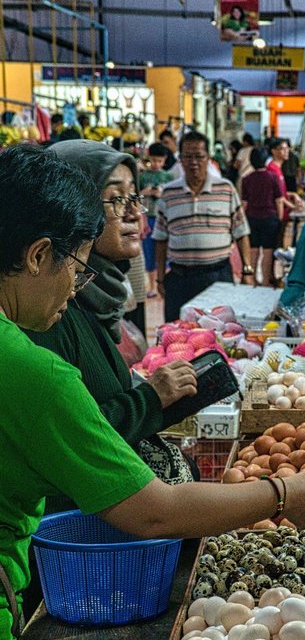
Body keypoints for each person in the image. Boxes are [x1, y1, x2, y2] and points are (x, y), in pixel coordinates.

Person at [0, 143, 305, 640]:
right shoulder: (34, 371)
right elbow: (155, 513)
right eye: (77, 263)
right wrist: (282, 493)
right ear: (36, 254)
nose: (77, 285)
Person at [25, 138, 199, 491]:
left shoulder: (98, 300)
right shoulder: (47, 311)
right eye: (117, 198)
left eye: (135, 197)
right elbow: (69, 441)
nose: (135, 212)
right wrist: (150, 399)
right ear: (73, 207)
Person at [153, 130, 254, 321]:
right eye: (188, 157)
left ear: (208, 158)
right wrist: (159, 277)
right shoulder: (169, 193)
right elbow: (160, 239)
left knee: (221, 336)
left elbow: (241, 233)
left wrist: (247, 271)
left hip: (218, 277)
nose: (193, 162)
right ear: (180, 159)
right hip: (179, 278)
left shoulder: (225, 189)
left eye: (199, 156)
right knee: (178, 338)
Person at [241, 147, 283, 287]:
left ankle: (252, 280)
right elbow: (279, 200)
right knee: (267, 252)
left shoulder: (246, 179)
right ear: (266, 160)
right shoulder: (273, 177)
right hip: (270, 219)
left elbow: (244, 203)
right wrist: (280, 218)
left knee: (253, 252)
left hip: (252, 219)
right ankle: (265, 281)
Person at [139, 142, 173, 297]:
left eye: (160, 161)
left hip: (163, 218)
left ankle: (164, 282)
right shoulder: (142, 176)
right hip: (147, 218)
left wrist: (161, 194)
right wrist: (144, 192)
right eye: (154, 160)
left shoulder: (168, 176)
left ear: (165, 160)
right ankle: (152, 286)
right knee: (149, 252)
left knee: (164, 252)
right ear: (149, 158)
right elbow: (135, 196)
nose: (156, 164)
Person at [266, 137, 304, 247]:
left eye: (287, 148)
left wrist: (293, 194)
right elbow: (277, 196)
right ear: (274, 151)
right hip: (277, 214)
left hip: (283, 213)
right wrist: (294, 207)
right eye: (283, 149)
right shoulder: (272, 169)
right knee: (276, 245)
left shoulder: (278, 168)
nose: (286, 151)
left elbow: (281, 193)